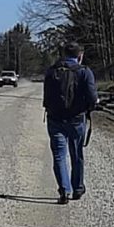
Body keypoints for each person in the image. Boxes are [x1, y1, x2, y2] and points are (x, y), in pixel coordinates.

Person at [42, 42, 98, 204]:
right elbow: (92, 97)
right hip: (76, 119)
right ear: (80, 55)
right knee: (76, 154)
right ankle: (78, 188)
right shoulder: (84, 72)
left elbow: (46, 96)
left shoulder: (52, 71)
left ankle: (64, 190)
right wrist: (92, 106)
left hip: (55, 119)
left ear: (63, 54)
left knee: (59, 155)